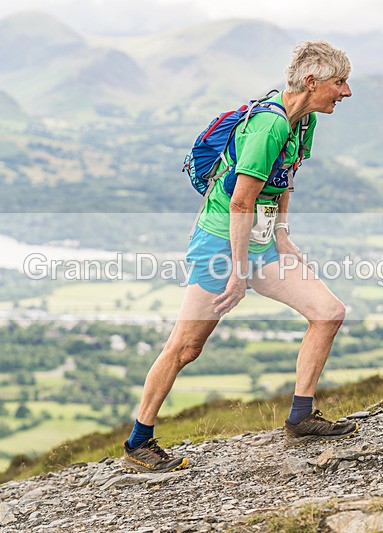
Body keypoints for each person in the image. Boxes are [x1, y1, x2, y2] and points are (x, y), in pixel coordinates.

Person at [122, 40, 355, 473]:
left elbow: (285, 179)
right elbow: (240, 203)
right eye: (339, 83)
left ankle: (301, 417)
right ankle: (139, 440)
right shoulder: (268, 127)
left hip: (260, 241)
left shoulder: (302, 123)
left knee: (328, 312)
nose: (346, 93)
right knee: (186, 346)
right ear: (311, 82)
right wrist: (238, 272)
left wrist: (283, 235)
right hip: (221, 244)